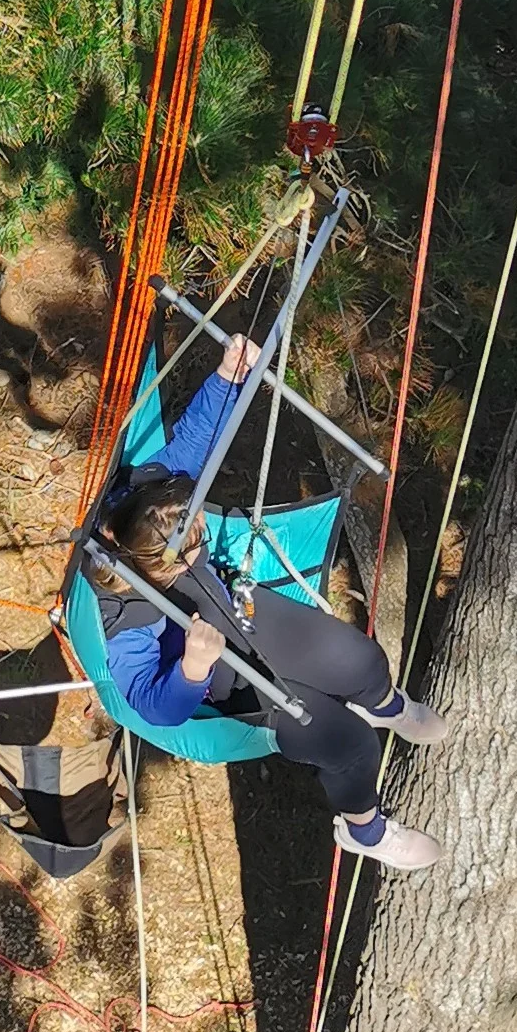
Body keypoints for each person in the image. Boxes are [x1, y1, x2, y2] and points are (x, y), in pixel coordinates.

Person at [92, 335, 447, 870]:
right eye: (182, 558)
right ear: (147, 564)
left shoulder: (148, 492)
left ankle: (388, 708)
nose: (196, 552)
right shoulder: (123, 611)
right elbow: (150, 704)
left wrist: (228, 378)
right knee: (350, 745)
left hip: (242, 613)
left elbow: (195, 442)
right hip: (227, 679)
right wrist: (192, 668)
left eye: (196, 534)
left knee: (363, 661)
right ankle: (367, 832)